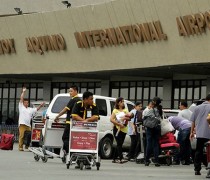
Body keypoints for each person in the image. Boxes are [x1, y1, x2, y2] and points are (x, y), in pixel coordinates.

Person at [71, 91, 99, 169]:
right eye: (91, 99)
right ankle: (78, 161)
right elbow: (74, 116)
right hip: (78, 129)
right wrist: (83, 121)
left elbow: (96, 117)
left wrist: (87, 121)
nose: (92, 100)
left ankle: (88, 162)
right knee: (78, 144)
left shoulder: (93, 106)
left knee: (88, 144)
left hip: (90, 129)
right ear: (85, 99)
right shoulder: (78, 104)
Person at [54, 85, 80, 154]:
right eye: (69, 91)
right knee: (73, 139)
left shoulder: (73, 100)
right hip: (76, 123)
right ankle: (70, 152)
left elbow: (65, 109)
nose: (70, 93)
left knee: (65, 138)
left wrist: (58, 116)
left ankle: (68, 153)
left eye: (71, 91)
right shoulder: (80, 100)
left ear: (76, 91)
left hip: (70, 122)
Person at [18, 87, 44, 151]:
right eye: (25, 102)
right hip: (22, 124)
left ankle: (27, 145)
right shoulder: (21, 107)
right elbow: (21, 99)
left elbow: (36, 109)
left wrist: (41, 106)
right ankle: (20, 147)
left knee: (31, 135)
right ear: (23, 103)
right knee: (22, 136)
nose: (26, 103)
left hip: (28, 125)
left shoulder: (30, 109)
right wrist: (23, 92)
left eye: (27, 103)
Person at [190, 94, 210, 176]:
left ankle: (197, 169)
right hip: (209, 133)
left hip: (200, 133)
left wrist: (191, 132)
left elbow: (193, 121)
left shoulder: (197, 108)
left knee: (199, 151)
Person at [110, 97, 130, 164]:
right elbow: (111, 119)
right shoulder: (115, 110)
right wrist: (118, 123)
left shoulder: (126, 110)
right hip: (117, 129)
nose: (123, 103)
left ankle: (114, 158)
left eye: (123, 101)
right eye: (122, 102)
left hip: (124, 128)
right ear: (118, 103)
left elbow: (129, 118)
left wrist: (125, 119)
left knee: (120, 143)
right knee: (119, 143)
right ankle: (121, 158)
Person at [143, 97, 162, 167]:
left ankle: (147, 160)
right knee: (156, 144)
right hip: (157, 128)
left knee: (149, 144)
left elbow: (144, 116)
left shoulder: (152, 109)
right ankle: (156, 161)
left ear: (154, 102)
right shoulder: (160, 109)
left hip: (150, 128)